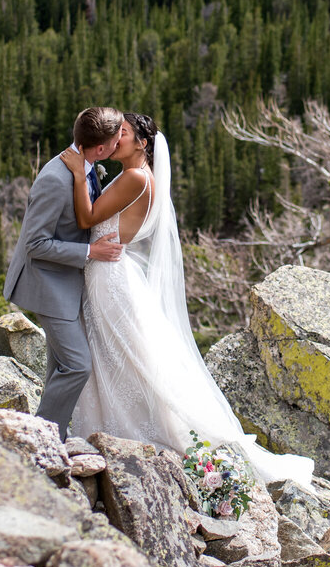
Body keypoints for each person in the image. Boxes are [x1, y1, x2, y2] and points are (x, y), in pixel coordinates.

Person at [57, 111, 314, 485]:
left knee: (123, 357)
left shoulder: (134, 177)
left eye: (122, 134)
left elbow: (87, 218)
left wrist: (80, 173)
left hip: (109, 276)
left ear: (141, 144)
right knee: (113, 356)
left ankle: (138, 435)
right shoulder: (136, 176)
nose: (115, 139)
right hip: (107, 272)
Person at [3, 106, 127, 441]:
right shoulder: (55, 179)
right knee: (76, 365)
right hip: (47, 285)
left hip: (67, 284)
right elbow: (35, 244)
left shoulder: (86, 168)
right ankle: (41, 439)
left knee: (58, 366)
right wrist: (91, 252)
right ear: (100, 149)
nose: (120, 144)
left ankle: (48, 432)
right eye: (117, 140)